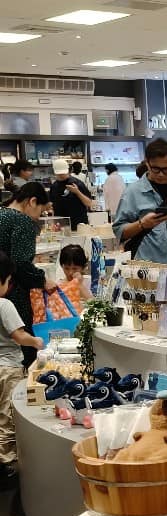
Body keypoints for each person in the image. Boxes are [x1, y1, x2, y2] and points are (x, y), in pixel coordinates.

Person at [0, 249, 44, 482]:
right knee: (7, 417)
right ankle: (6, 464)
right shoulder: (4, 305)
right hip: (7, 369)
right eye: (8, 281)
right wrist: (36, 341)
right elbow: (18, 336)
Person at [0, 183, 55, 366]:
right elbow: (21, 264)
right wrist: (42, 279)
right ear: (32, 201)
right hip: (13, 294)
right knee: (22, 349)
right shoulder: (22, 221)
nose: (39, 217)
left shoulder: (2, 213)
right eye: (41, 211)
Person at [114, 138, 167, 265]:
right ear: (147, 163)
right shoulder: (132, 192)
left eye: (166, 170)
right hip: (146, 267)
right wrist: (142, 224)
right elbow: (119, 231)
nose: (161, 174)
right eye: (155, 169)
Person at [49, 159, 93, 231]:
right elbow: (53, 206)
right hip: (61, 225)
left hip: (79, 225)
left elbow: (89, 203)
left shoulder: (77, 183)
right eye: (59, 174)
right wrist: (53, 221)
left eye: (63, 173)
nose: (61, 175)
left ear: (68, 171)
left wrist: (77, 192)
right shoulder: (54, 186)